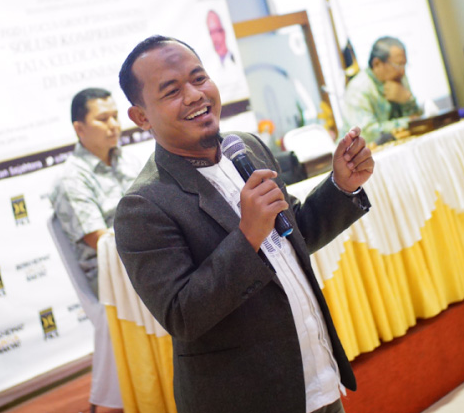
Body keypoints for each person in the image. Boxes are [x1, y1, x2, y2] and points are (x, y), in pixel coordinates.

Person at [114, 36, 375, 413]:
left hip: (318, 377)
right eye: (172, 91)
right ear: (141, 117)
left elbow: (293, 233)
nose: (194, 95)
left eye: (199, 78)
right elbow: (182, 315)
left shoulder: (246, 147)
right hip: (248, 398)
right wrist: (247, 236)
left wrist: (341, 186)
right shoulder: (143, 205)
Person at [50, 87, 140, 413]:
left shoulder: (126, 160)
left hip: (143, 258)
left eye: (115, 116)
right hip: (111, 276)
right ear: (80, 128)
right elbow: (100, 241)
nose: (114, 124)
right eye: (103, 119)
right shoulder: (71, 179)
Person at [341, 36, 423, 144]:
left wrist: (408, 100)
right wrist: (408, 122)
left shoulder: (399, 78)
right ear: (377, 64)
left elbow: (419, 121)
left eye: (404, 65)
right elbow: (366, 134)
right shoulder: (358, 88)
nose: (402, 71)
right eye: (398, 65)